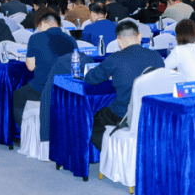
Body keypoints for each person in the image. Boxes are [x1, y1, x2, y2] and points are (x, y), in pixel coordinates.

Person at [85, 20, 165, 150]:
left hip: (123, 114)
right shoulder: (156, 56)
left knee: (96, 120)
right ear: (139, 36)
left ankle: (113, 154)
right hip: (151, 112)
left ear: (119, 40)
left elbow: (90, 78)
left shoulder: (115, 58)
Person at [12, 10, 78, 128]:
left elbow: (30, 67)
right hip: (66, 89)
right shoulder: (71, 40)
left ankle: (28, 131)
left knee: (17, 95)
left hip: (42, 89)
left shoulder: (35, 38)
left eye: (39, 26)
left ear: (44, 24)